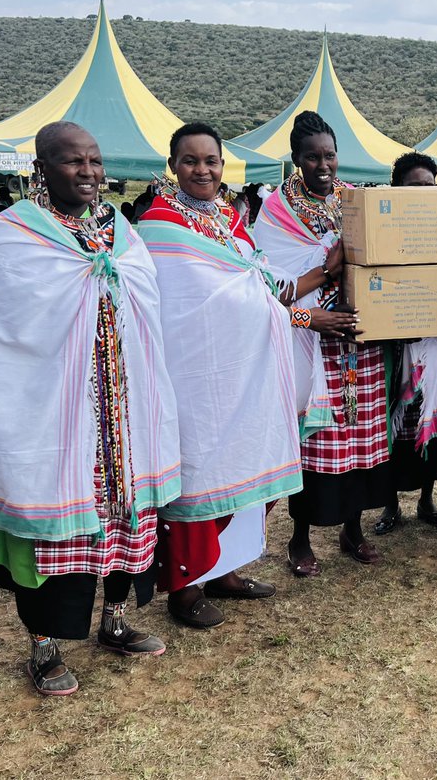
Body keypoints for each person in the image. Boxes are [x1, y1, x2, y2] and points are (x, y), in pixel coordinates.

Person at [0, 121, 181, 695]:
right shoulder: (12, 234)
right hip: (53, 411)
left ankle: (115, 621)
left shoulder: (120, 230)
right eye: (71, 161)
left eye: (94, 160)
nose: (88, 172)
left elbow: (146, 300)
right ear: (42, 169)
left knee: (123, 519)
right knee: (53, 531)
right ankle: (44, 647)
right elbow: (2, 332)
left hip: (121, 410)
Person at [138, 122, 304, 627]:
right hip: (192, 372)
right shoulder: (158, 225)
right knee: (200, 470)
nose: (202, 170)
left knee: (245, 461)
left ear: (223, 165)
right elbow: (176, 301)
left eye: (210, 160)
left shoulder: (231, 219)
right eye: (190, 161)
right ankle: (184, 589)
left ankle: (226, 570)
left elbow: (259, 283)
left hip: (244, 369)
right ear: (173, 166)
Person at [252, 110, 393, 574]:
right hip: (309, 342)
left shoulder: (353, 201)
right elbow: (271, 289)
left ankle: (353, 529)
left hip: (359, 339)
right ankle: (300, 538)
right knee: (314, 441)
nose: (323, 165)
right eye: (312, 157)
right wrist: (326, 271)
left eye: (330, 155)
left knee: (361, 438)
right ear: (297, 158)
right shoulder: (277, 210)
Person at [374, 152, 437, 534]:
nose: (423, 192)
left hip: (436, 342)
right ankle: (390, 504)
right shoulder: (383, 231)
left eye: (429, 186)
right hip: (397, 343)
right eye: (414, 186)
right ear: (397, 189)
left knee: (429, 415)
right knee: (395, 418)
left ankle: (427, 499)